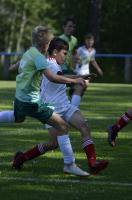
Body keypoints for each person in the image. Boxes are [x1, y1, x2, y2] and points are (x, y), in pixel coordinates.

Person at [0, 26, 89, 177]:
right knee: (62, 126)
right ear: (45, 44)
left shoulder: (29, 53)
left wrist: (13, 67)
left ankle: (24, 158)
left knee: (18, 118)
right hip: (33, 102)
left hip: (20, 99)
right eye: (49, 43)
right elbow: (54, 78)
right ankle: (69, 164)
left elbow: (17, 66)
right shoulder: (40, 58)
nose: (49, 47)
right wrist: (76, 79)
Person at [12, 38, 108, 175]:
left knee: (84, 127)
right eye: (64, 53)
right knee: (53, 144)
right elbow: (56, 78)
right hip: (51, 109)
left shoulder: (55, 64)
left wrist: (79, 75)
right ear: (55, 52)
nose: (66, 56)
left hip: (65, 105)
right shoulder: (49, 64)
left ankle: (93, 163)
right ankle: (21, 158)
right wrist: (75, 79)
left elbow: (61, 75)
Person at [71, 33, 103, 107]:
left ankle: (75, 99)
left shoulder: (93, 51)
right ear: (85, 41)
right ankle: (74, 103)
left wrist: (98, 68)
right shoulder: (81, 49)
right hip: (79, 71)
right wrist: (75, 63)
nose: (90, 42)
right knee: (80, 86)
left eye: (91, 41)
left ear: (93, 41)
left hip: (86, 71)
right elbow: (74, 57)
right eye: (88, 40)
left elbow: (92, 60)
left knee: (84, 87)